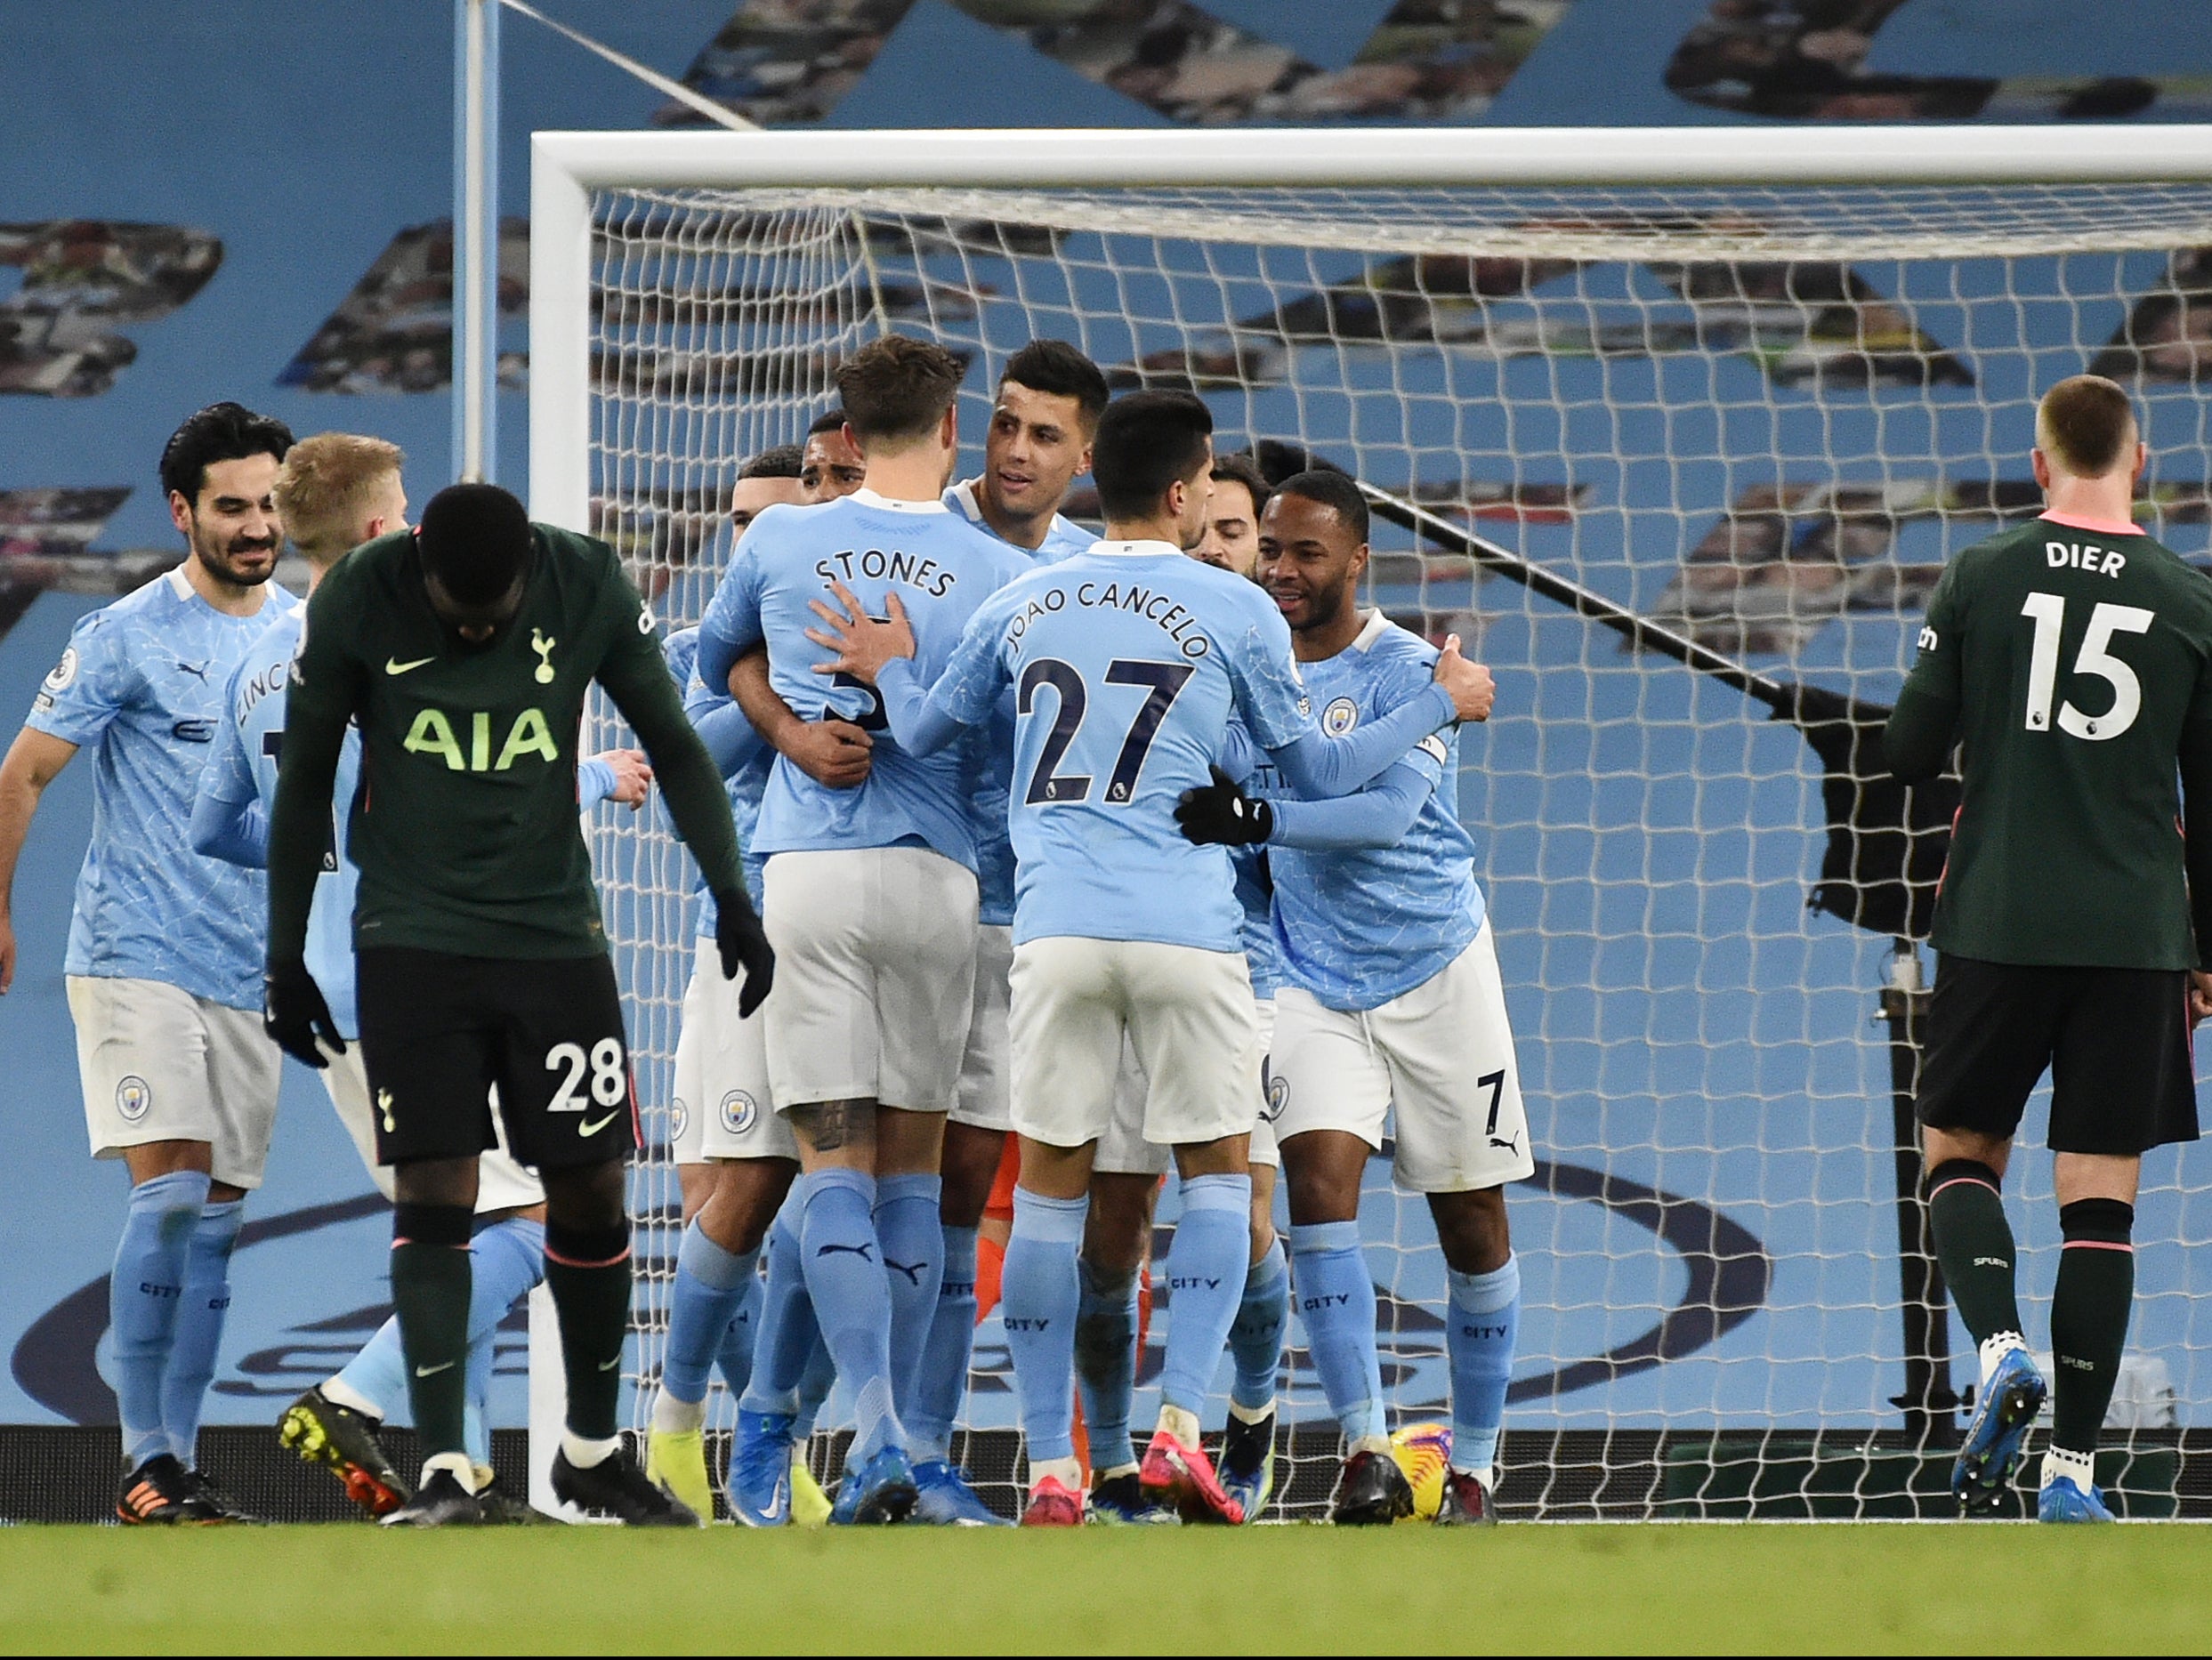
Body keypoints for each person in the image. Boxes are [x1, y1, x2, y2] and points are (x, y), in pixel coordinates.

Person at [805, 389, 1495, 1525]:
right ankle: (1181, 1429)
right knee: (1219, 1182)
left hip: (1056, 933)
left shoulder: (1026, 598)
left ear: (1094, 480)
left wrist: (885, 667)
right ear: (1182, 494)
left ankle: (1047, 1470)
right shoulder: (1230, 612)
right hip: (1187, 934)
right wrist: (1432, 699)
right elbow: (1313, 780)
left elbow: (923, 735)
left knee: (1050, 1206)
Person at [263, 480, 773, 1527]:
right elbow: (306, 776)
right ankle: (448, 1468)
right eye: (456, 611)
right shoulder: (358, 596)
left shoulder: (584, 576)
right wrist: (281, 953)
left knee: (589, 1191)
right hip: (410, 943)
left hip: (554, 943)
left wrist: (731, 893)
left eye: (491, 614)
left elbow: (672, 741)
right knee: (438, 1200)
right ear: (417, 564)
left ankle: (589, 1453)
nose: (474, 627)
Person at [187, 432, 644, 1519]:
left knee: (452, 1231)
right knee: (537, 1219)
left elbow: (223, 824)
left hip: (342, 983)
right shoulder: (390, 647)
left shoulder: (263, 662)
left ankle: (462, 1481)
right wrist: (583, 774)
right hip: (418, 967)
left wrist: (327, 855)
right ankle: (356, 1395)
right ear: (389, 531)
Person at [695, 335, 1030, 1526]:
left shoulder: (779, 536)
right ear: (949, 432)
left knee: (825, 1166)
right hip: (939, 887)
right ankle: (892, 1444)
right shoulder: (992, 569)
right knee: (915, 1182)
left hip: (810, 879)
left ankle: (868, 1423)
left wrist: (792, 734)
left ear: (840, 434)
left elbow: (715, 657)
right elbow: (983, 739)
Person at [1885, 374, 2212, 1524]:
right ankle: (2072, 1475)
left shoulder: (1981, 574)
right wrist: (2203, 951)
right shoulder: (2188, 596)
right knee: (2100, 1201)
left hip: (2000, 915)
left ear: (2036, 466)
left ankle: (2000, 1346)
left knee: (1957, 1151)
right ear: (2141, 460)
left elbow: (1909, 748)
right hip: (2135, 935)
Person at [1178, 470, 1530, 1527]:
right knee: (1317, 1195)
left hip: (1437, 968)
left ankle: (1471, 1466)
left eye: (1304, 555)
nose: (1281, 571)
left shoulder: (1415, 670)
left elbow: (1374, 815)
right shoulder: (1249, 671)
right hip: (1309, 977)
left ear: (1355, 560)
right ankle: (1365, 1451)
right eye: (1270, 552)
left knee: (1469, 1222)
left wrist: (1253, 823)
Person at [0, 401, 298, 1524]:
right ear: (183, 512)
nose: (256, 524)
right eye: (232, 506)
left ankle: (177, 1465)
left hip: (252, 968)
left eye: (269, 502)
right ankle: (142, 1463)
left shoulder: (310, 635)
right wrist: (1, 915)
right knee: (172, 1190)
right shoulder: (123, 633)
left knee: (217, 1219)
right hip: (134, 952)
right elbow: (22, 774)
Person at [916, 339, 1108, 1526]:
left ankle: (1052, 1460)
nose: (1016, 451)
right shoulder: (922, 536)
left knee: (1026, 1195)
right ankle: (836, 1442)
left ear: (1085, 455)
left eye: (1045, 435)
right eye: (1004, 423)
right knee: (876, 1192)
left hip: (1041, 927)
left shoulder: (1102, 568)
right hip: (917, 903)